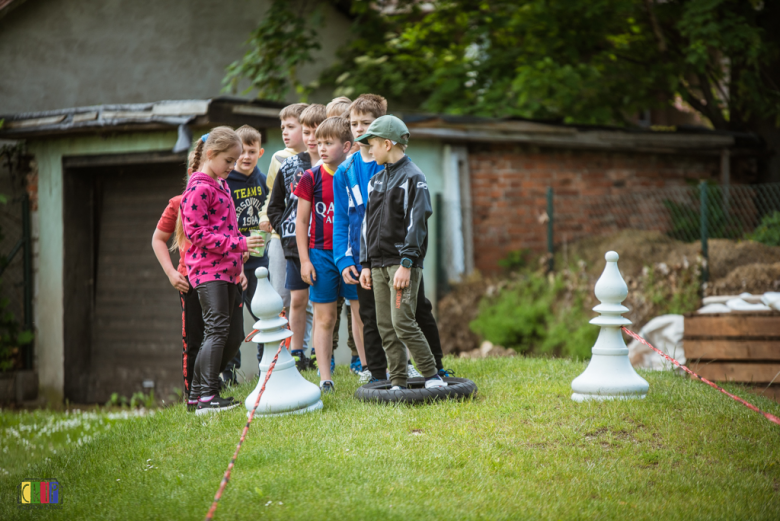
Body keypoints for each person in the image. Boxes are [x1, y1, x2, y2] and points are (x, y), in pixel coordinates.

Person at [333, 94, 448, 383]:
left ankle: (432, 373)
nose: (365, 142)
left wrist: (407, 262)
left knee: (406, 321)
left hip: (402, 262)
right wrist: (364, 262)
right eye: (355, 126)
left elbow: (417, 222)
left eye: (371, 137)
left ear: (386, 143)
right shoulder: (370, 178)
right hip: (376, 262)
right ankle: (394, 379)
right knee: (383, 324)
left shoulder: (412, 176)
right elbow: (364, 225)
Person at [180, 127, 264, 414]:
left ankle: (196, 395)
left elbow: (226, 228)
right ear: (212, 154)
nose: (232, 166)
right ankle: (207, 395)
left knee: (233, 335)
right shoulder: (198, 188)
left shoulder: (222, 185)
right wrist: (239, 242)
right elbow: (198, 234)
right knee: (216, 331)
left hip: (229, 272)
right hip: (207, 273)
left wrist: (239, 265)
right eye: (228, 160)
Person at [294, 117, 365, 393]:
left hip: (352, 255)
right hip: (320, 255)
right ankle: (325, 378)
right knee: (325, 318)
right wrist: (304, 260)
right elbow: (301, 222)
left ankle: (368, 370)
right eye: (319, 142)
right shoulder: (310, 177)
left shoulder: (355, 173)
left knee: (360, 316)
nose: (320, 147)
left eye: (328, 143)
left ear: (347, 146)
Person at [267, 104, 326, 371]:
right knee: (297, 299)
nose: (312, 138)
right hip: (293, 246)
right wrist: (284, 228)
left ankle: (322, 353)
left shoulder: (334, 167)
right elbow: (275, 205)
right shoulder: (290, 165)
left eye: (317, 132)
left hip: (325, 244)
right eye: (307, 132)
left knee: (323, 302)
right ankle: (297, 352)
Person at [224, 125, 269, 381]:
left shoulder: (264, 182)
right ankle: (229, 373)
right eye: (242, 151)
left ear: (260, 152)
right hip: (231, 261)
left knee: (263, 314)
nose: (246, 156)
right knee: (232, 320)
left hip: (259, 262)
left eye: (252, 151)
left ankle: (266, 367)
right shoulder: (226, 183)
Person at [258, 103, 309, 310]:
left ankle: (304, 343)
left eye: (290, 127)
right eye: (282, 128)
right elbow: (271, 195)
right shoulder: (278, 158)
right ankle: (283, 343)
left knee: (307, 302)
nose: (285, 133)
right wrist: (266, 218)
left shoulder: (320, 158)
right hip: (281, 238)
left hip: (311, 237)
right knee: (281, 296)